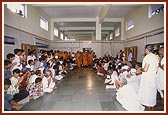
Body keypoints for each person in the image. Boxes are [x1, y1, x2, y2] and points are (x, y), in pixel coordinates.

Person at [138, 45, 159, 111]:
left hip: (147, 79)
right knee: (152, 96)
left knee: (147, 97)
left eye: (145, 49)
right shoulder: (156, 57)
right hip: (153, 78)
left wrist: (140, 69)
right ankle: (152, 110)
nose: (144, 51)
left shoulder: (148, 57)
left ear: (147, 49)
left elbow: (145, 69)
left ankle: (149, 111)